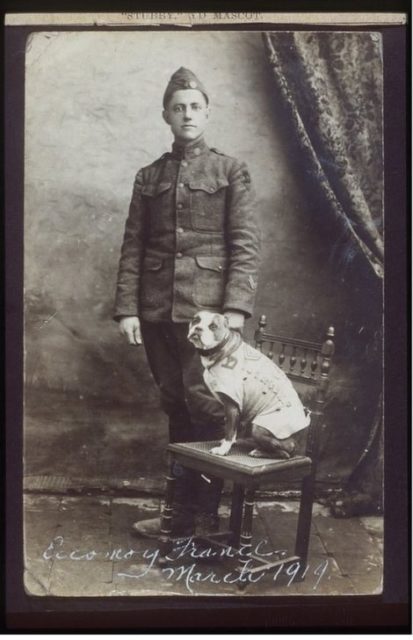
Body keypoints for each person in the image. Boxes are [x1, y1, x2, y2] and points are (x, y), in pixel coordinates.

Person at [114, 67, 260, 538]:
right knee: (174, 402)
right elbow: (133, 246)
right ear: (165, 116)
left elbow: (244, 244)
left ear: (208, 112)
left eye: (195, 106)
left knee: (210, 407)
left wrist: (235, 307)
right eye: (178, 107)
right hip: (157, 311)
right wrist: (128, 309)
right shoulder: (148, 176)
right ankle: (178, 511)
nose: (187, 114)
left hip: (212, 317)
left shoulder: (230, 170)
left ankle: (205, 512)